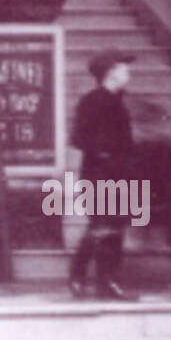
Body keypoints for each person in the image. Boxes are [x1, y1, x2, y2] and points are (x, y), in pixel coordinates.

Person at [67, 52, 137, 300]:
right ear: (111, 72)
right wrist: (106, 155)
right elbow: (79, 138)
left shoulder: (117, 101)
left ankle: (105, 281)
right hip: (100, 174)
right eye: (124, 68)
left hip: (119, 173)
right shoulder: (92, 101)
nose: (129, 73)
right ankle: (83, 276)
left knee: (113, 228)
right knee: (102, 226)